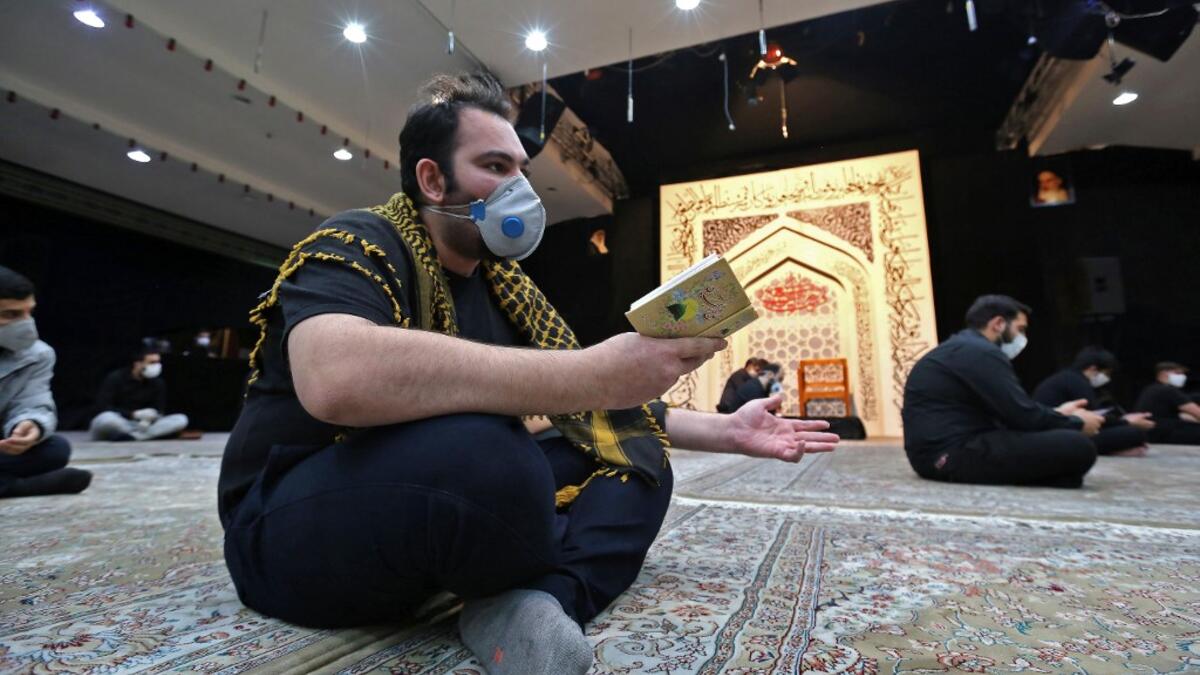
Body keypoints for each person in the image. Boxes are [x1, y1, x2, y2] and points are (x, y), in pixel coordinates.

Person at [217, 72, 839, 675]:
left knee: (633, 458)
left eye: (521, 170)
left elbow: (590, 411)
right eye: (495, 167)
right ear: (432, 180)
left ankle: (534, 603)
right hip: (288, 526)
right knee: (491, 453)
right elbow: (335, 378)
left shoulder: (507, 290)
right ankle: (518, 559)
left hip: (427, 501)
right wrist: (589, 373)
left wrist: (726, 431)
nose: (521, 188)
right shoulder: (357, 242)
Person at [902, 294, 1104, 488]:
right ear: (998, 323)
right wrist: (1077, 423)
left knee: (1065, 456)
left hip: (938, 454)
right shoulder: (980, 352)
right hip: (948, 455)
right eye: (1020, 329)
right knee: (1078, 446)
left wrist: (1059, 414)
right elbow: (1021, 416)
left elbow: (1012, 410)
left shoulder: (966, 348)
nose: (1022, 338)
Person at [0, 265, 92, 498]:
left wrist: (30, 424)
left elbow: (33, 401)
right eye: (11, 314)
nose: (25, 323)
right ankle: (14, 486)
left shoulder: (38, 354)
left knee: (56, 449)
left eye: (29, 312)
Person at [1032, 346, 1152, 456]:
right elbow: (1094, 419)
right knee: (1135, 433)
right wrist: (1127, 422)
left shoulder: (1069, 377)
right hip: (1058, 435)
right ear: (1093, 368)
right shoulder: (1078, 382)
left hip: (1056, 431)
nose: (1107, 379)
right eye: (1107, 374)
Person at [89, 348, 189, 441]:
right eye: (152, 363)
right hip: (120, 422)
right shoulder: (116, 378)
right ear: (137, 364)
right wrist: (133, 414)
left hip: (143, 425)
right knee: (106, 418)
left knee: (181, 419)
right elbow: (103, 406)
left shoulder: (158, 383)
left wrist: (151, 417)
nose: (157, 366)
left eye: (158, 362)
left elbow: (159, 409)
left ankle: (133, 437)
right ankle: (143, 435)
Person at [1134, 362, 1200, 445]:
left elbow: (1181, 416)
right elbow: (1197, 412)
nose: (1182, 376)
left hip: (1150, 432)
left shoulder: (1151, 388)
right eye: (1178, 373)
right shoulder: (1169, 391)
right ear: (1163, 373)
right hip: (1163, 433)